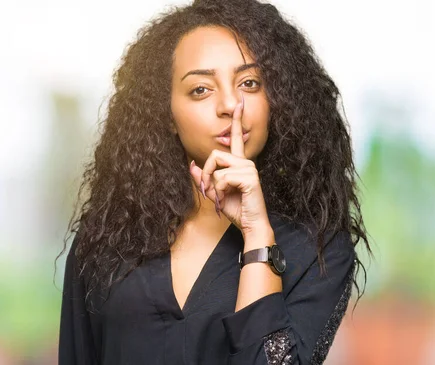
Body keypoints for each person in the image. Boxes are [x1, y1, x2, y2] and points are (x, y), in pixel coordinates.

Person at [57, 0, 371, 364]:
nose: (229, 104)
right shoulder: (107, 238)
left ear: (277, 102)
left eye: (249, 83)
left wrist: (257, 236)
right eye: (200, 89)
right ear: (168, 114)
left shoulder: (318, 248)